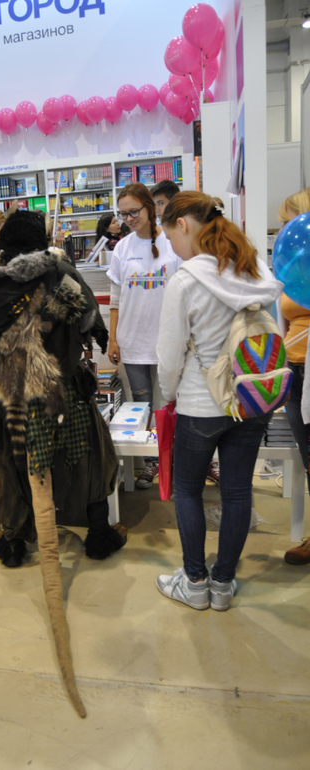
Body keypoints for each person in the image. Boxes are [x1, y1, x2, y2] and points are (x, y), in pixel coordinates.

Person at [0, 209, 125, 567]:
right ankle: (98, 533)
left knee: (10, 463)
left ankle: (14, 542)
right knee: (91, 456)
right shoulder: (57, 273)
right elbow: (88, 320)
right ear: (40, 241)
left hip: (7, 394)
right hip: (59, 387)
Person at [155, 191, 282, 611]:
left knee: (187, 490)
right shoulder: (253, 267)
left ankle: (195, 583)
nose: (172, 246)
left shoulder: (186, 280)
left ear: (183, 225)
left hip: (200, 402)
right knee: (237, 491)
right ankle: (223, 584)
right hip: (251, 398)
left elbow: (170, 356)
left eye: (170, 237)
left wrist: (168, 395)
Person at [106, 182, 182, 489]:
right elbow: (115, 300)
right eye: (123, 214)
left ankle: (175, 461)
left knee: (172, 403)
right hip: (133, 340)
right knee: (142, 405)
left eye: (133, 212)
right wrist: (113, 339)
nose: (129, 219)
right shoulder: (122, 249)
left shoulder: (172, 242)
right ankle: (152, 462)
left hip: (169, 341)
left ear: (149, 207)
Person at [276, 188, 310, 565]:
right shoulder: (295, 263)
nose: (286, 231)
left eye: (289, 221)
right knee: (308, 455)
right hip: (295, 370)